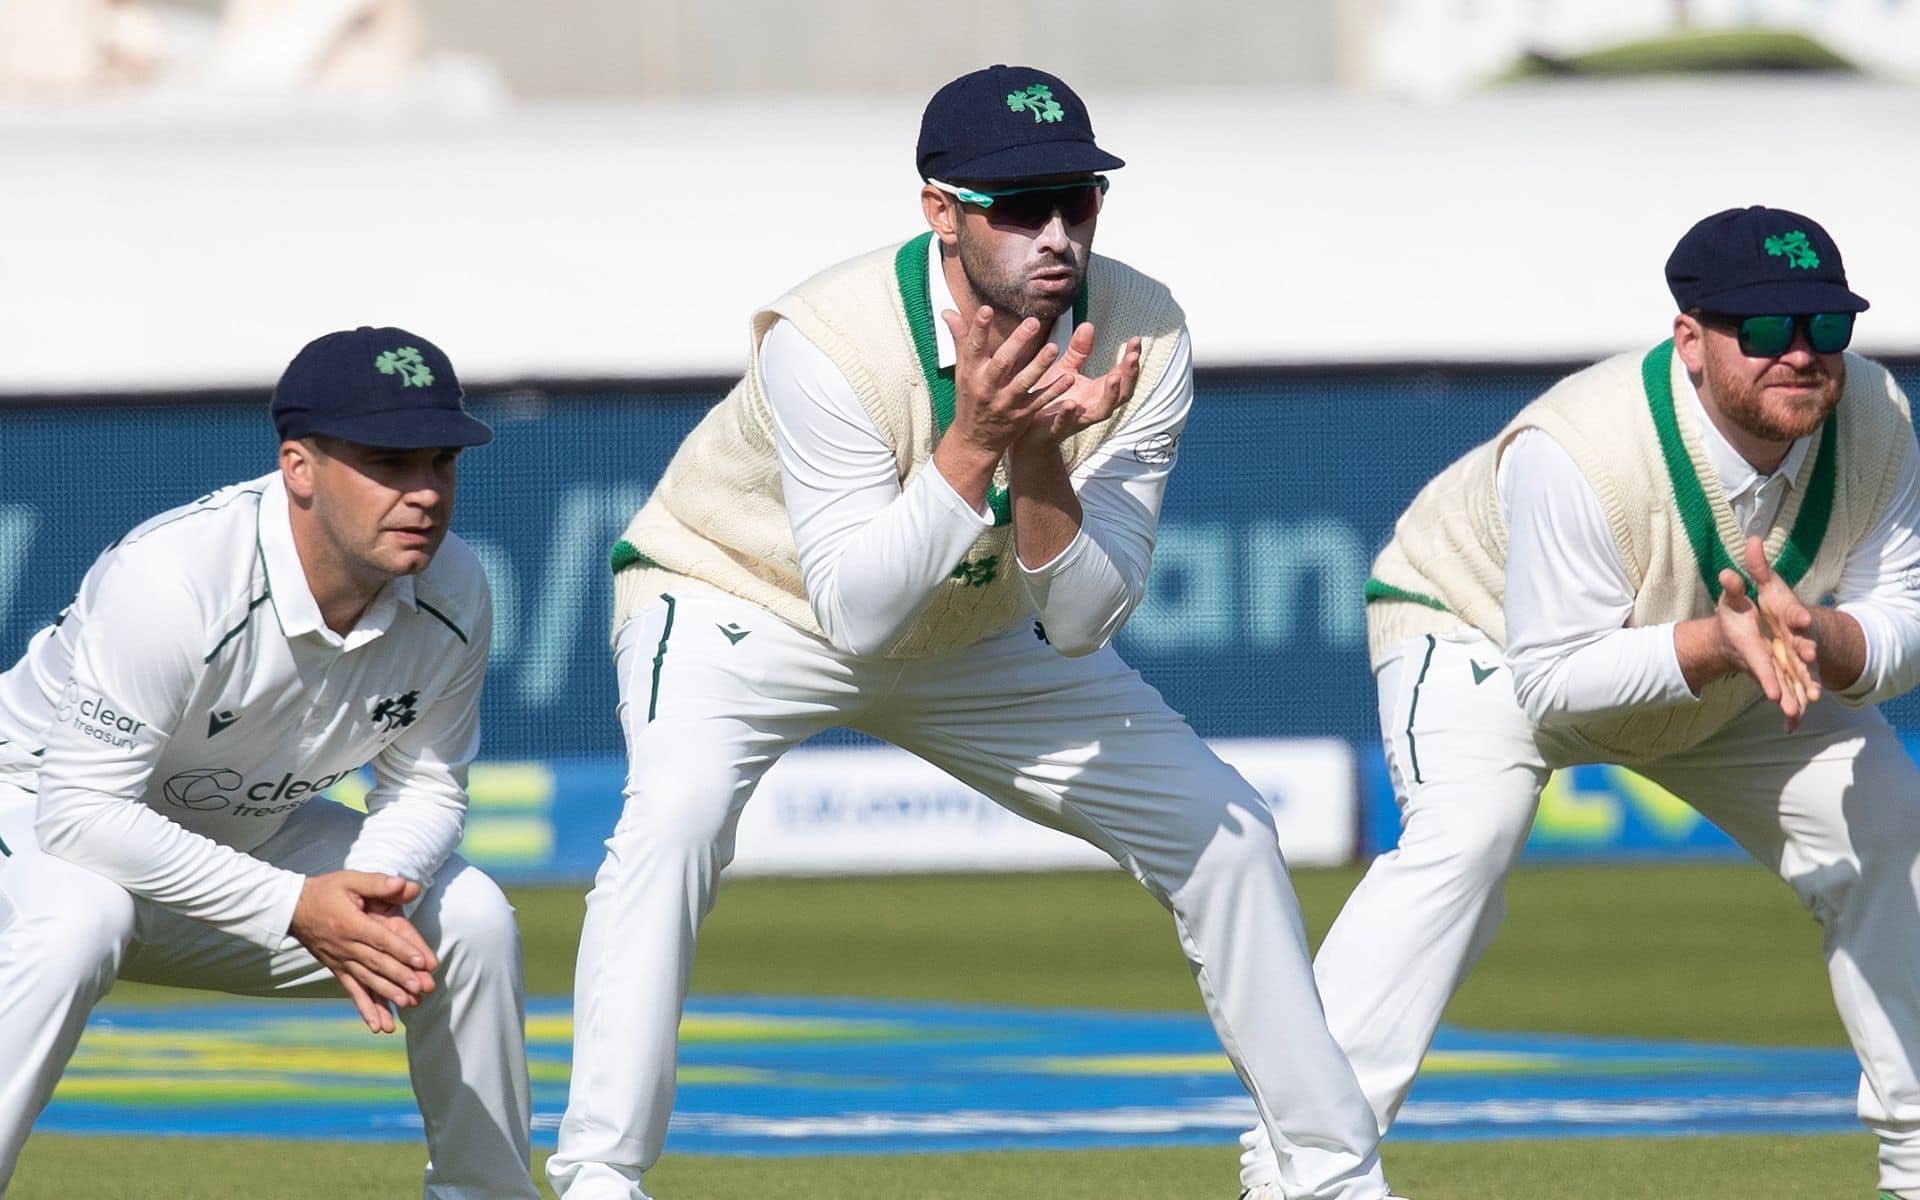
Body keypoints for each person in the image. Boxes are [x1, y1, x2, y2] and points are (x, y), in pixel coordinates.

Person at [546, 66, 1404, 1200]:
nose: (1055, 235)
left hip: (971, 631)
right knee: (675, 823)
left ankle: (1330, 1177)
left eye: (1078, 202)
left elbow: (1087, 618)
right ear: (939, 211)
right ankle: (600, 1174)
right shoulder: (829, 338)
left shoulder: (1143, 329)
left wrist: (1038, 454)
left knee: (1226, 831)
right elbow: (854, 610)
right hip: (740, 604)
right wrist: (977, 440)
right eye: (1016, 206)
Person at [1236, 206, 1920, 1200]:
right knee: (1463, 844)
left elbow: (1902, 613)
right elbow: (1553, 685)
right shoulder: (1581, 446)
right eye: (1766, 331)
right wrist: (1713, 644)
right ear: (1690, 338)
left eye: (1827, 326)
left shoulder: (1879, 416)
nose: (1802, 354)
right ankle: (1305, 1169)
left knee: (1887, 812)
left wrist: (1828, 637)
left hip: (1733, 666)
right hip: (1477, 627)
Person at [0, 327, 536, 1200]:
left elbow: (428, 785)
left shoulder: (458, 591)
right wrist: (295, 905)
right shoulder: (172, 578)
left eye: (440, 461)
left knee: (469, 915)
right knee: (78, 919)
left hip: (229, 845)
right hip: (29, 817)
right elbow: (79, 816)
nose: (425, 493)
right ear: (299, 467)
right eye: (388, 462)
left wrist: (366, 893)